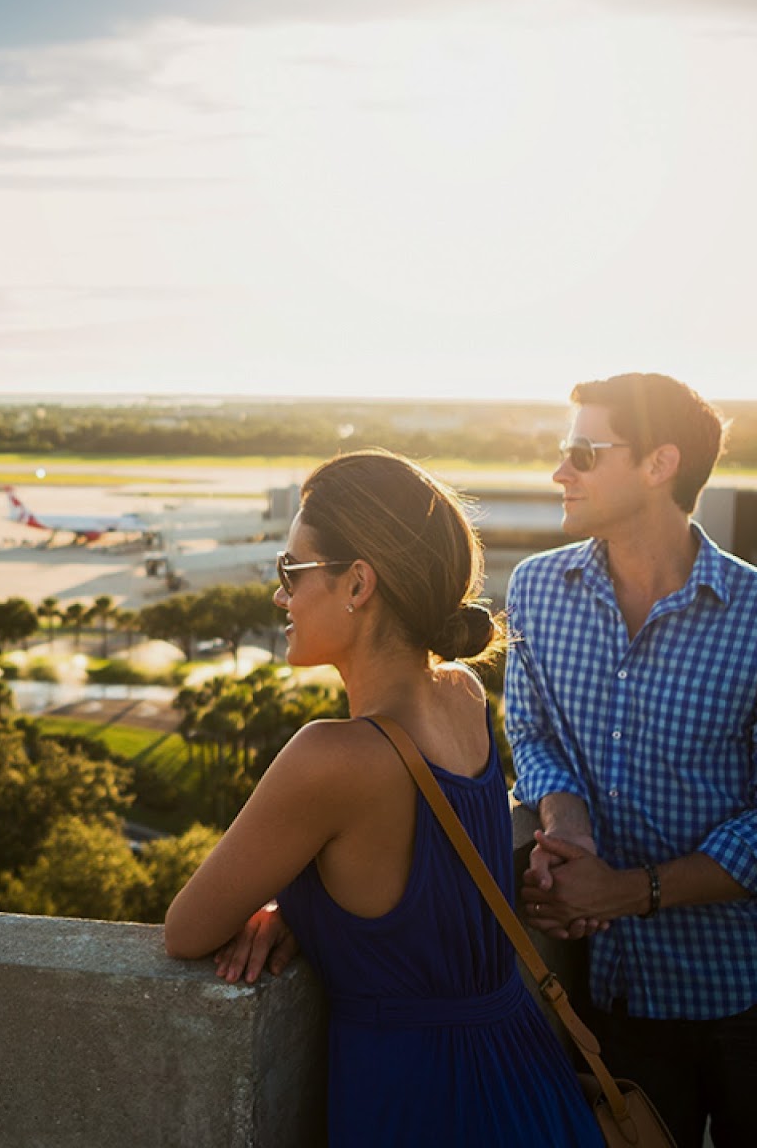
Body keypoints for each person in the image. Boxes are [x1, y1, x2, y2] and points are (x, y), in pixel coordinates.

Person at [164, 450, 601, 1147]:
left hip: (419, 1102)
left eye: (292, 571)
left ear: (358, 583)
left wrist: (295, 900)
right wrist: (315, 906)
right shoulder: (462, 696)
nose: (281, 595)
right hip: (524, 1072)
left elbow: (185, 929)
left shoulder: (330, 758)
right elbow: (419, 886)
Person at [510, 373, 757, 1148]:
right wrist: (571, 828)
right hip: (621, 999)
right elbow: (533, 733)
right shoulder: (535, 592)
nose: (559, 472)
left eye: (582, 453)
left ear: (660, 464)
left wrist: (630, 891)